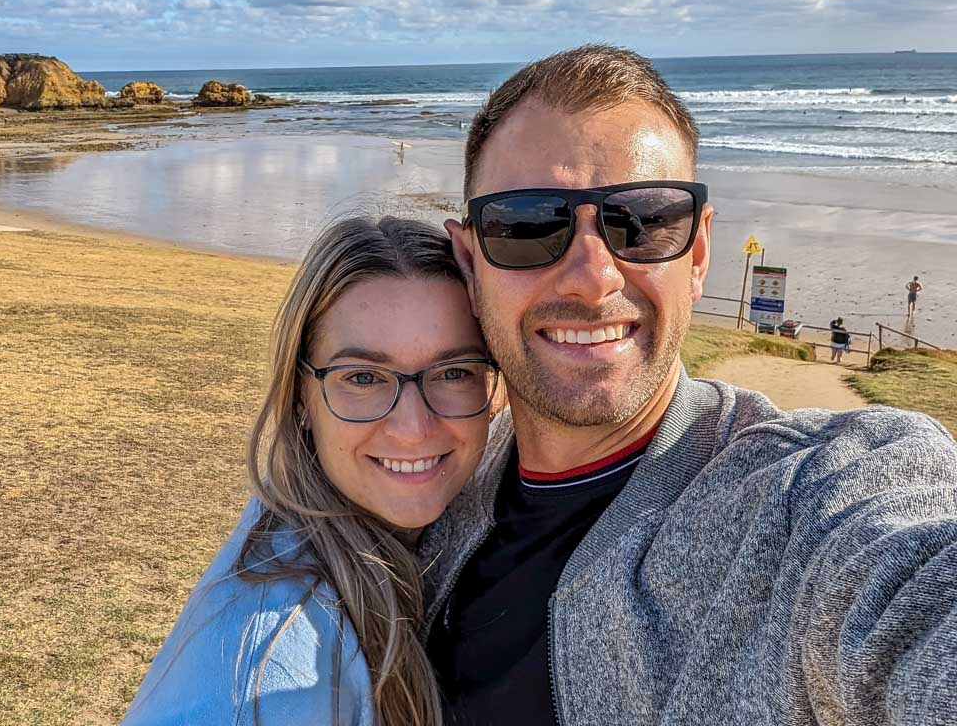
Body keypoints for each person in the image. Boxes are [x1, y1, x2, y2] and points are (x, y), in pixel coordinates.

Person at [421, 45, 957, 725]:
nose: (594, 277)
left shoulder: (805, 495)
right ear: (470, 265)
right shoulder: (428, 489)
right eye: (529, 225)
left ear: (698, 255)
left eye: (643, 222)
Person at [122, 216, 498, 725]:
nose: (413, 427)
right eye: (363, 377)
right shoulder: (272, 677)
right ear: (301, 394)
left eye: (455, 372)